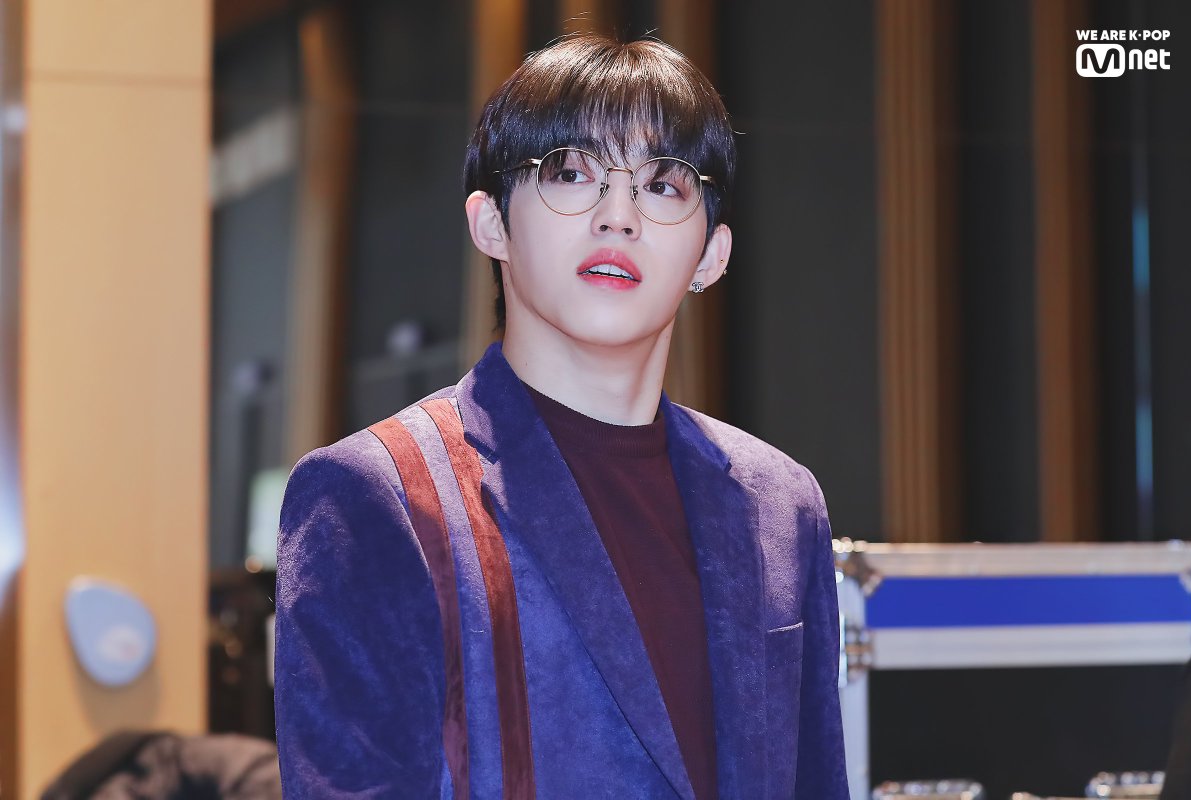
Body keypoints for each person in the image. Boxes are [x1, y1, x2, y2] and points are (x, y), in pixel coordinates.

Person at [274, 34, 850, 800]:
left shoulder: (781, 503)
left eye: (663, 185)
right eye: (571, 173)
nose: (619, 216)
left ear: (712, 255)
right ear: (492, 224)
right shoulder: (378, 495)